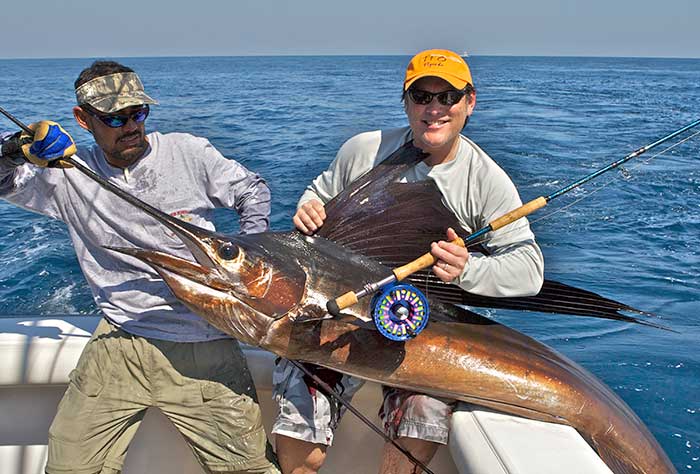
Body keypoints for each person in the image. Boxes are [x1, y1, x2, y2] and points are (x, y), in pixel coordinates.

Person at [273, 49, 545, 474]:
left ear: (469, 102)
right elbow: (318, 191)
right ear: (405, 102)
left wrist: (468, 269)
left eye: (448, 97)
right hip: (340, 316)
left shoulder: (484, 179)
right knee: (298, 424)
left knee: (423, 418)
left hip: (423, 328)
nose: (434, 109)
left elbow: (529, 270)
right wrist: (308, 205)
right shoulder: (364, 150)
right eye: (421, 96)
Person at [0, 61, 280, 474]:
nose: (130, 126)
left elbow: (251, 190)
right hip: (119, 342)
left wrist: (248, 251)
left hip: (201, 341)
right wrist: (16, 147)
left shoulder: (188, 151)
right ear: (83, 120)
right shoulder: (66, 174)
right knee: (67, 468)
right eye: (114, 117)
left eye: (138, 113)